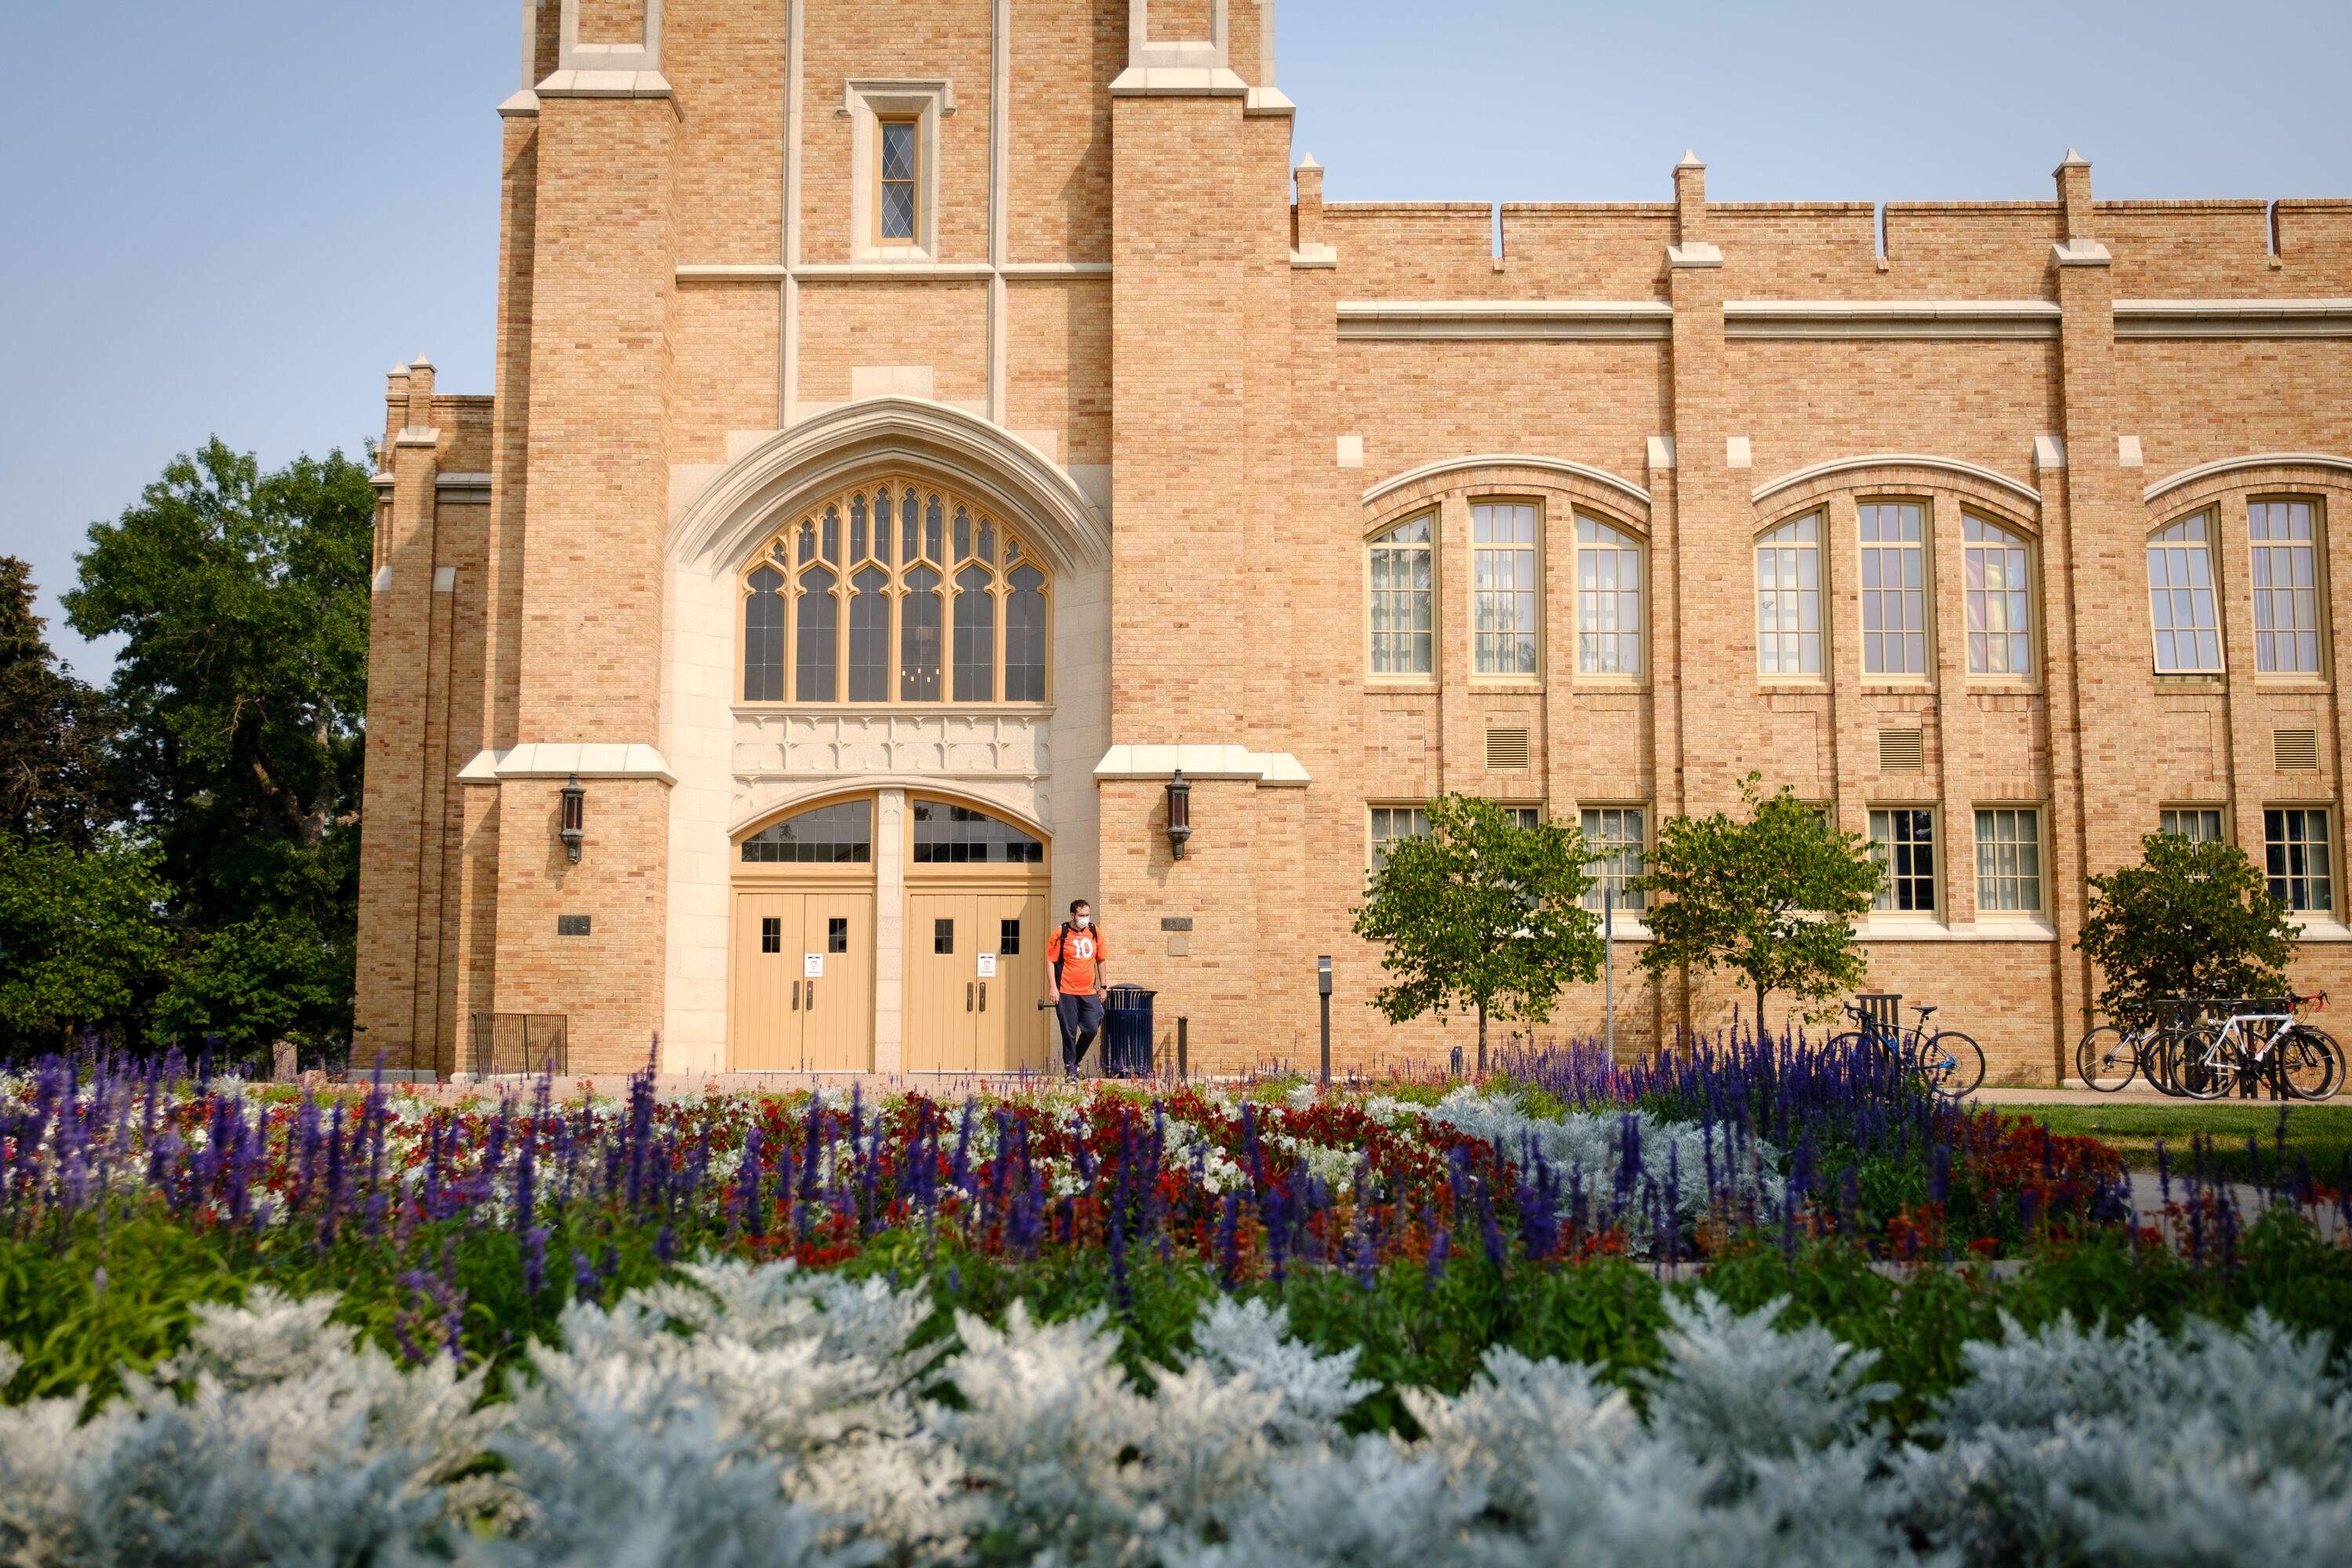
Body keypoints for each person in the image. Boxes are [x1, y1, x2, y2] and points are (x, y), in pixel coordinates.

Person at [1045, 898, 1107, 1075]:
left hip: (1088, 991)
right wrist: (1053, 987)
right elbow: (1050, 961)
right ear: (1073, 915)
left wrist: (1103, 987)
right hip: (1065, 992)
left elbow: (1101, 960)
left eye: (1087, 915)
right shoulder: (1061, 932)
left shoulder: (1094, 932)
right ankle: (1070, 1069)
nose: (1085, 918)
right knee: (1069, 1032)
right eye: (1081, 915)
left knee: (1091, 1028)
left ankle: (1076, 1060)